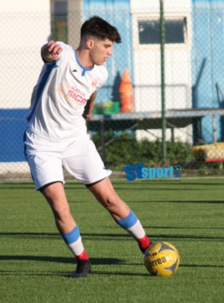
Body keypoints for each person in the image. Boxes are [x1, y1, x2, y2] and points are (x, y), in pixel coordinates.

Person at [24, 16, 152, 278]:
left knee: (110, 199)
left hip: (76, 141)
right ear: (90, 43)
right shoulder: (63, 55)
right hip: (42, 143)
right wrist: (48, 51)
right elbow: (47, 54)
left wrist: (89, 110)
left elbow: (91, 89)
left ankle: (148, 247)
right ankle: (82, 260)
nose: (110, 52)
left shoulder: (100, 73)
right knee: (60, 206)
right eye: (107, 46)